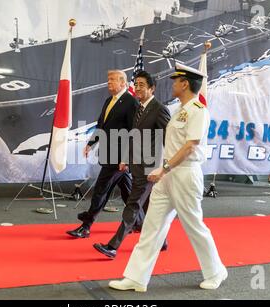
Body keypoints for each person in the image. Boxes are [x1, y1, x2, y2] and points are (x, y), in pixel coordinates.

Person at [108, 64, 227, 292]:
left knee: (194, 226)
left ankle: (216, 271)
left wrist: (163, 168)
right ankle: (136, 277)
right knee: (152, 227)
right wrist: (163, 169)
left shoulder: (198, 110)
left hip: (184, 175)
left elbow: (191, 146)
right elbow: (171, 145)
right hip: (168, 175)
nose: (172, 85)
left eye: (176, 81)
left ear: (184, 84)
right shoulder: (180, 110)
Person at [93, 71, 171, 259]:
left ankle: (113, 246)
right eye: (135, 84)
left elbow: (169, 140)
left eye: (141, 85)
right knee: (145, 206)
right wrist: (126, 159)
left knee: (133, 204)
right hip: (136, 165)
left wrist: (164, 167)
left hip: (150, 167)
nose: (137, 88)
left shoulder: (159, 109)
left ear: (152, 88)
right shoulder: (139, 108)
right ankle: (162, 241)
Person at [66, 70, 139, 239]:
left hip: (119, 157)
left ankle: (86, 225)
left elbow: (134, 133)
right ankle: (140, 222)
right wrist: (91, 143)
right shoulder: (109, 101)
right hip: (108, 153)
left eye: (112, 80)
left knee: (101, 189)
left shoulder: (131, 102)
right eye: (108, 79)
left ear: (123, 83)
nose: (109, 82)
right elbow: (101, 126)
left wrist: (127, 158)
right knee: (127, 192)